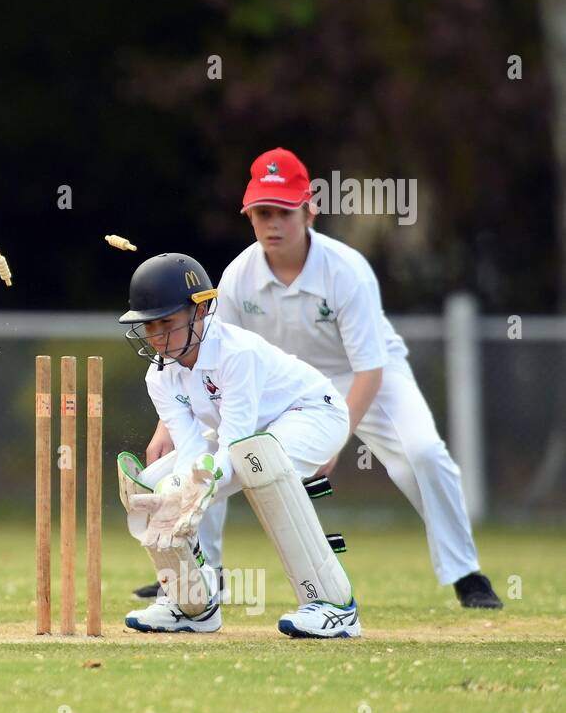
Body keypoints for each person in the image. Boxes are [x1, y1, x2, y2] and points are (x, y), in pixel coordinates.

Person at [133, 148, 501, 610]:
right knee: (207, 455)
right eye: (262, 212)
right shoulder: (238, 277)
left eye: (284, 212)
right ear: (248, 216)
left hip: (364, 374)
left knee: (423, 453)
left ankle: (465, 573)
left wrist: (335, 439)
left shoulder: (347, 271)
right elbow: (201, 355)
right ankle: (203, 575)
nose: (273, 224)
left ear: (310, 210)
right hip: (280, 382)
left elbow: (369, 367)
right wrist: (167, 425)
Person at [117, 252, 362, 638]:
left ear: (201, 311)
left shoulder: (237, 353)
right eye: (150, 326)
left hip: (314, 413)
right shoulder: (159, 377)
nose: (158, 337)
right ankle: (191, 605)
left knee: (257, 460)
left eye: (168, 322)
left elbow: (235, 440)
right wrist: (179, 489)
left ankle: (334, 604)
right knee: (154, 485)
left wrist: (201, 483)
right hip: (252, 436)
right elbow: (194, 448)